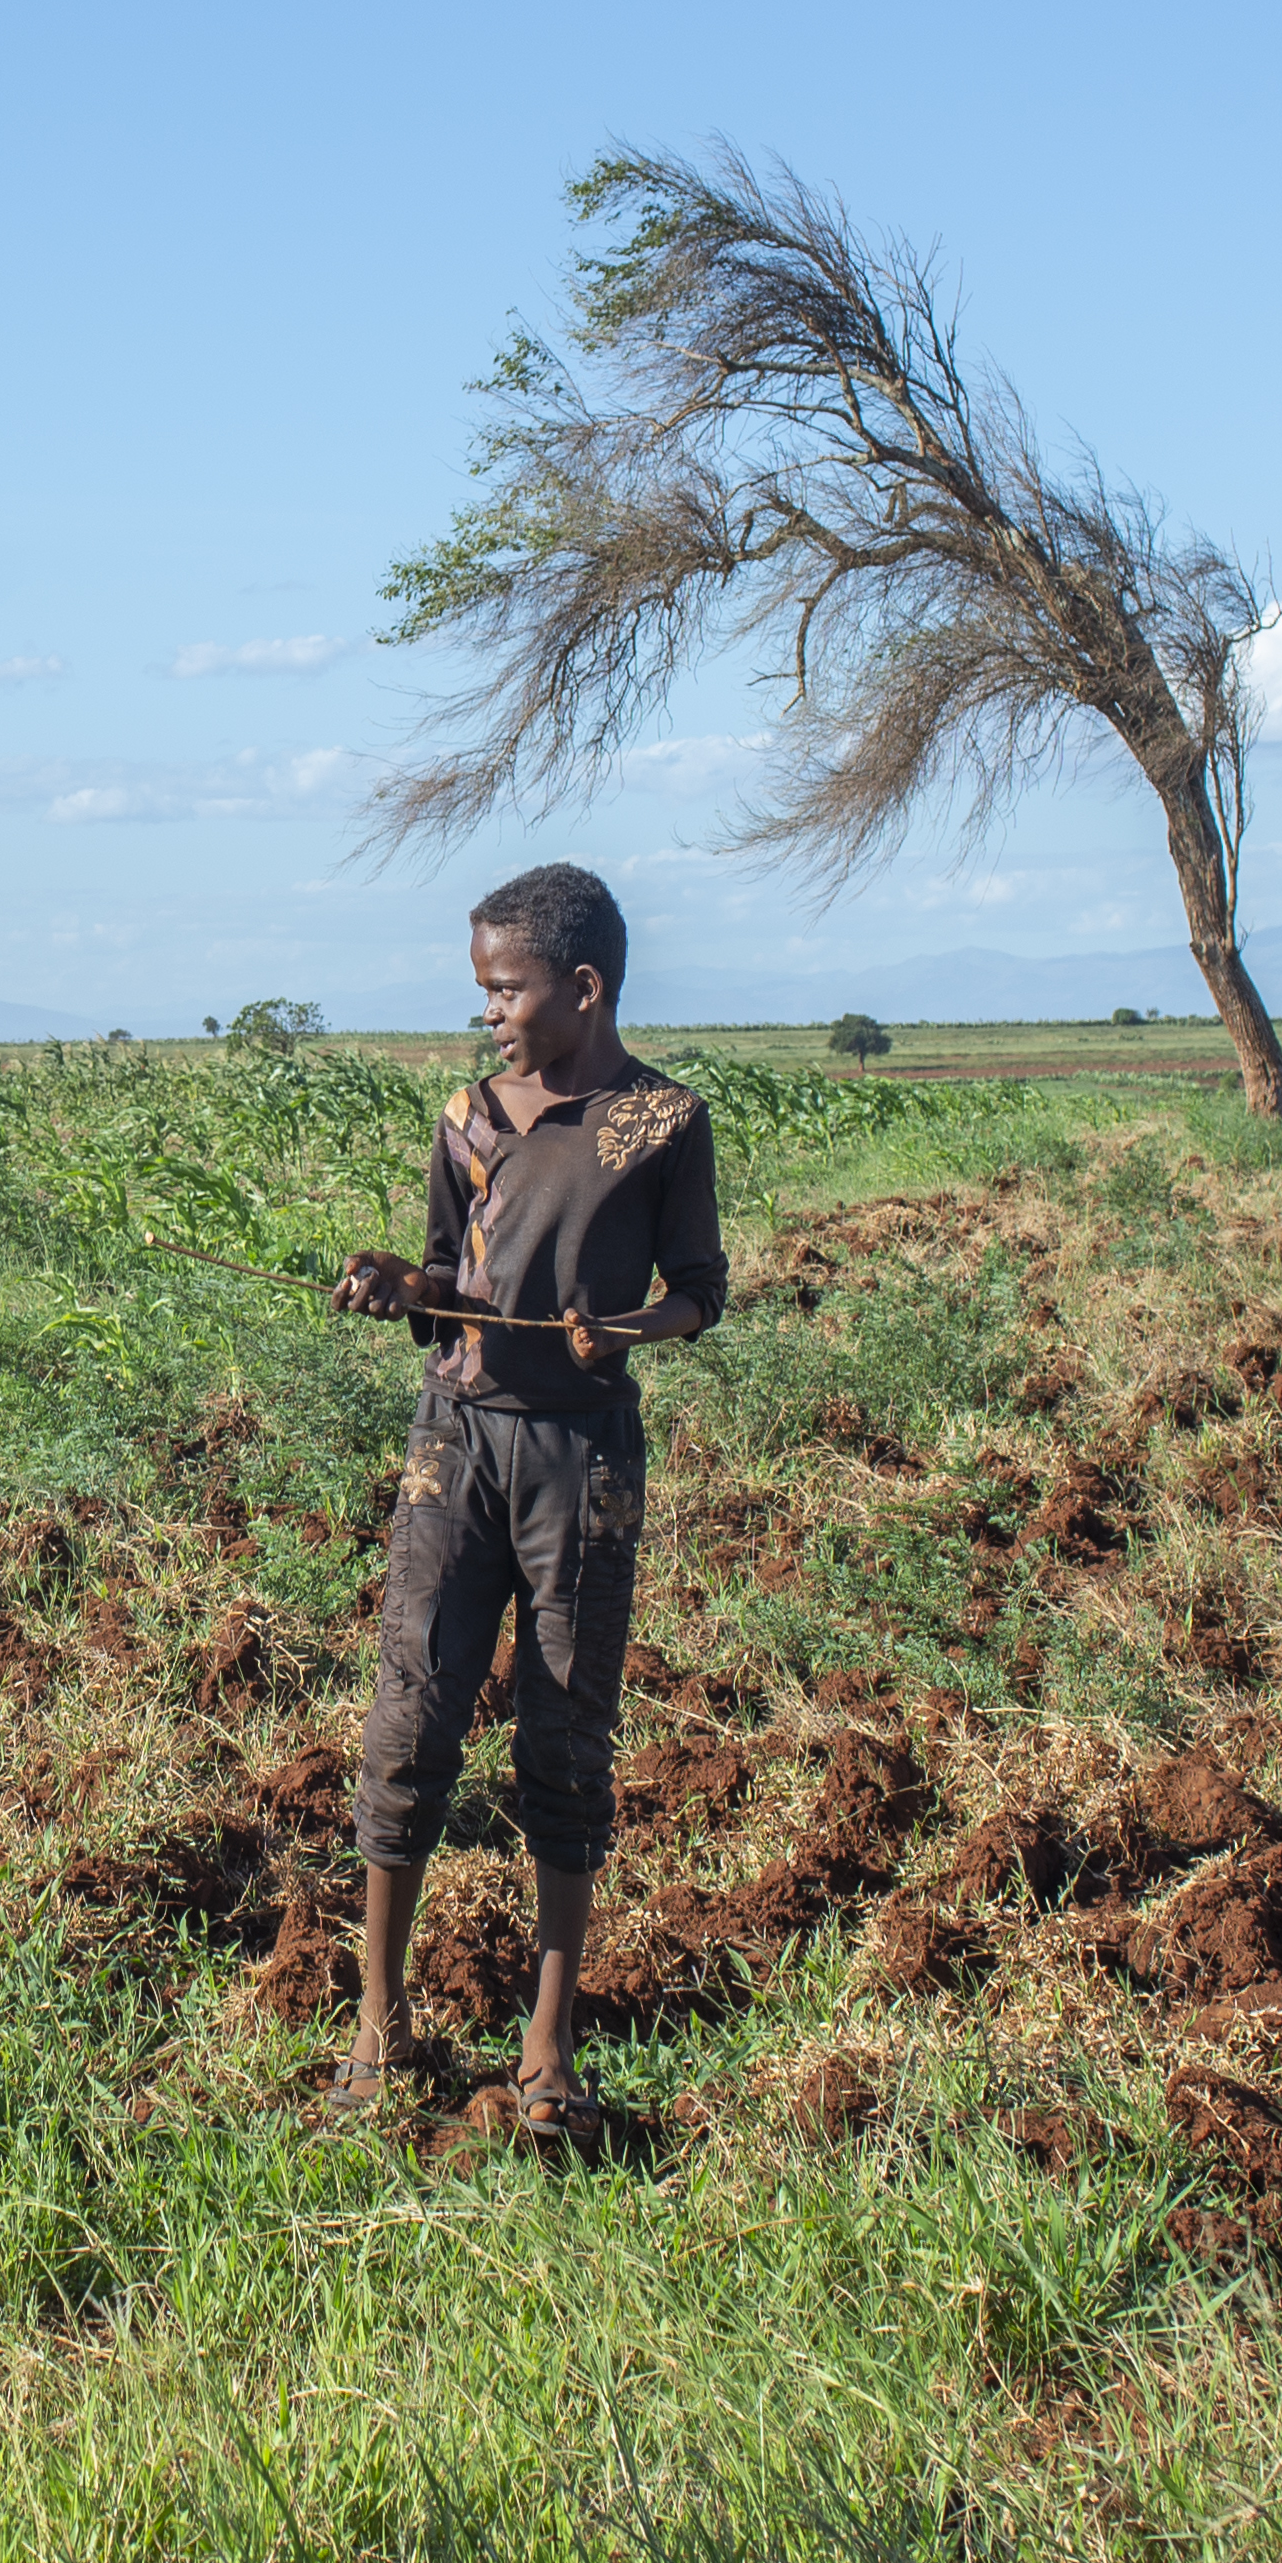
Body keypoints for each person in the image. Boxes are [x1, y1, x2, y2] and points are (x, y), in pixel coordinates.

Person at [324, 863, 724, 2141]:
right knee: (409, 1719)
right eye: (481, 988)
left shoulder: (659, 1124)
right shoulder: (464, 1114)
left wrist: (624, 1330)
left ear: (584, 986)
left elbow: (698, 1291)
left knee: (563, 1730)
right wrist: (399, 1282)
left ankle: (547, 2043)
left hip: (581, 1460)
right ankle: (377, 2024)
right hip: (456, 1450)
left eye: (504, 989)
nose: (486, 1011)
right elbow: (445, 1272)